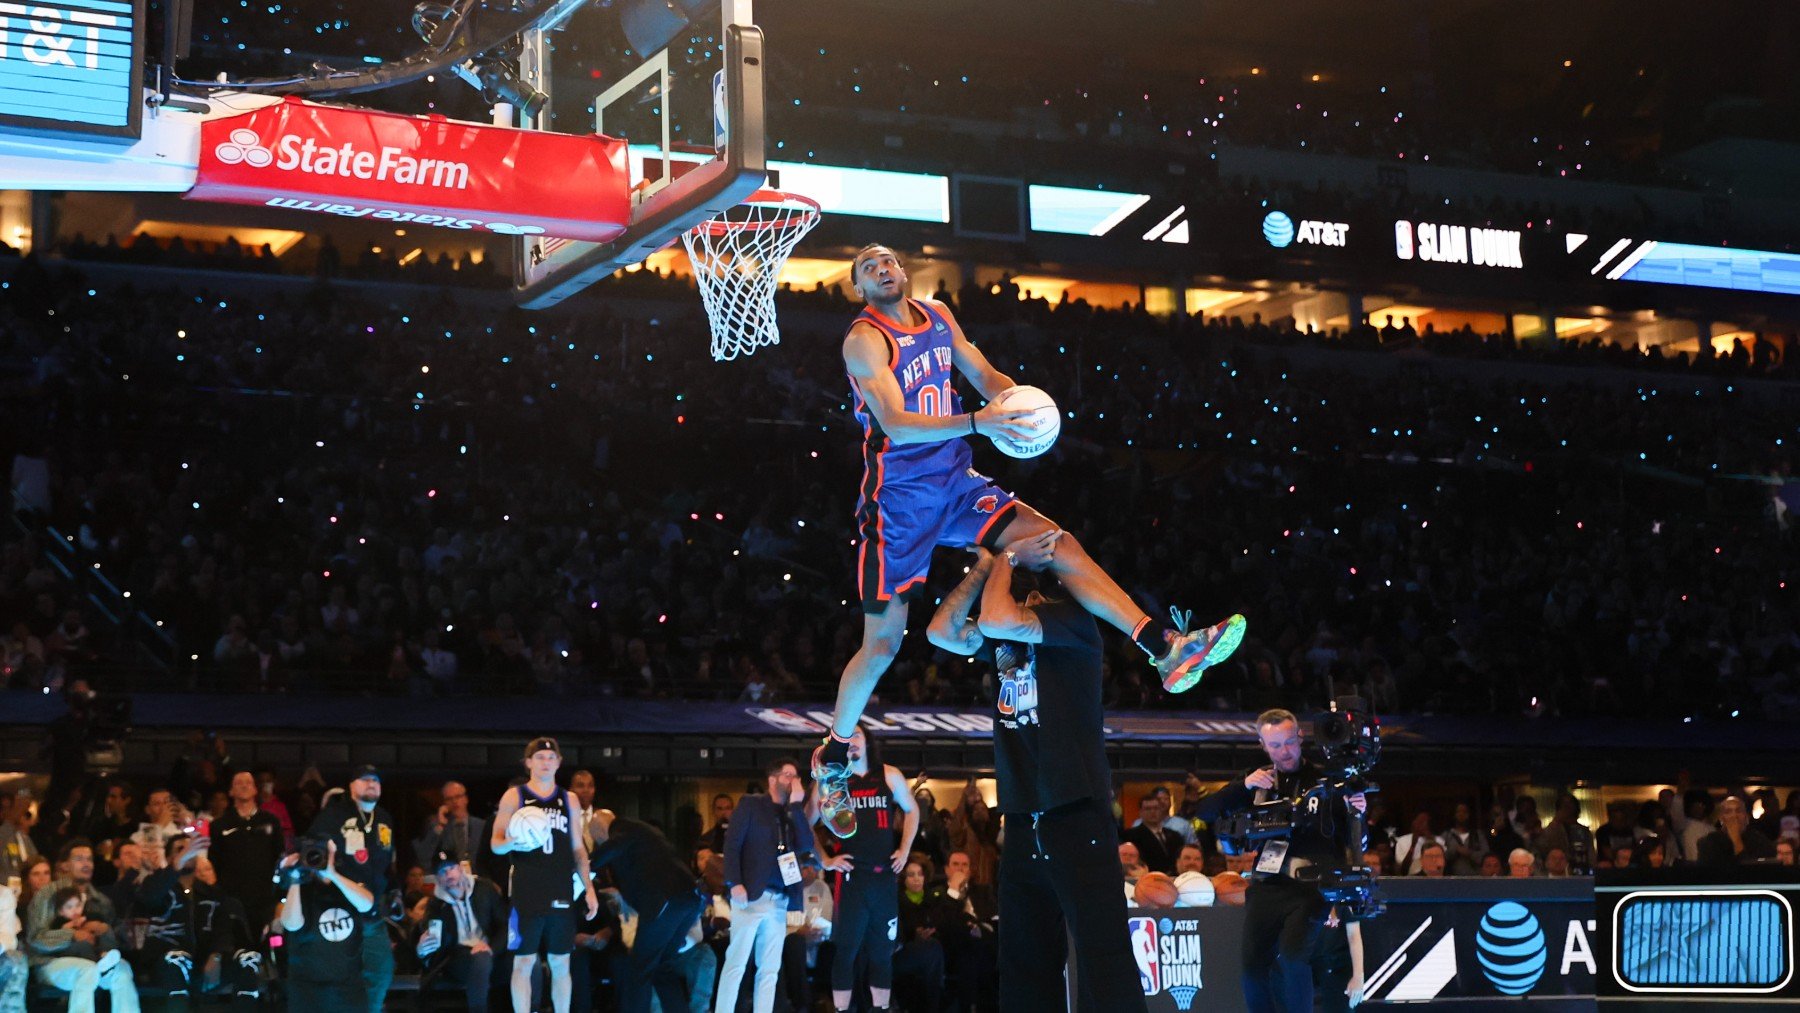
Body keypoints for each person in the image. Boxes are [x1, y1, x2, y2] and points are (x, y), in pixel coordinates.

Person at [811, 243, 1246, 835]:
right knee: (884, 645)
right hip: (900, 503)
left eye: (888, 261)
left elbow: (984, 374)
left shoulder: (939, 315)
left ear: (904, 271)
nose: (883, 270)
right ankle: (835, 754)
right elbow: (894, 423)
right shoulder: (864, 340)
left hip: (958, 482)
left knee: (1058, 542)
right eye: (869, 268)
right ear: (860, 288)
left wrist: (1019, 406)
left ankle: (1163, 647)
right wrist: (978, 422)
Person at [926, 542, 1148, 1012]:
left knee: (1100, 957)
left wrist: (1004, 560)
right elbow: (940, 630)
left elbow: (996, 619)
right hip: (1024, 817)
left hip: (1077, 810)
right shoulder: (1004, 642)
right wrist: (983, 566)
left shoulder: (1074, 622)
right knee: (1025, 961)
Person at [1194, 710, 1368, 1013]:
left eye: (1289, 742)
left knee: (1292, 956)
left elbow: (1355, 840)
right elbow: (1205, 812)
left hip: (1313, 885)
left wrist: (1358, 812)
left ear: (1300, 737)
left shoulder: (1327, 780)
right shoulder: (1258, 779)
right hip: (1268, 884)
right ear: (1262, 744)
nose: (1284, 752)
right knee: (1252, 966)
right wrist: (1244, 786)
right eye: (1275, 745)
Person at [809, 728, 918, 1013]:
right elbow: (804, 822)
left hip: (883, 877)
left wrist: (905, 848)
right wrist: (823, 859)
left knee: (882, 953)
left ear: (867, 741)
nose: (852, 741)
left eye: (856, 735)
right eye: (846, 738)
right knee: (846, 952)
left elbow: (912, 810)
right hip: (850, 877)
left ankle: (880, 1009)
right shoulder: (831, 781)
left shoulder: (889, 774)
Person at [492, 737, 600, 1013]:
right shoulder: (514, 796)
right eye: (539, 757)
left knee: (560, 962)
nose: (545, 762)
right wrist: (515, 841)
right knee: (523, 962)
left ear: (559, 763)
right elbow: (496, 844)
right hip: (526, 891)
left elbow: (578, 847)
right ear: (528, 762)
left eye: (551, 758)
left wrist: (588, 887)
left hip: (560, 888)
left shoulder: (569, 799)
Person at [715, 757, 813, 1013]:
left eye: (795, 776)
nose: (793, 781)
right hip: (750, 895)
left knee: (769, 968)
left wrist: (795, 807)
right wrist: (734, 881)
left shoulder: (792, 811)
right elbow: (732, 844)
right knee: (736, 963)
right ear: (773, 779)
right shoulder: (751, 804)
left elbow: (805, 846)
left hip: (779, 899)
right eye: (788, 775)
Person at [588, 808, 709, 1013]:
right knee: (662, 967)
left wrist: (586, 864)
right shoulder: (643, 835)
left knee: (638, 970)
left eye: (597, 839)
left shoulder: (623, 828)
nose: (599, 843)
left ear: (601, 831)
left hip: (666, 901)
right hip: (689, 900)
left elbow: (609, 849)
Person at [308, 764, 399, 1012]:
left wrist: (394, 892)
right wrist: (324, 876)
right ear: (351, 786)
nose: (371, 784)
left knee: (380, 972)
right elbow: (313, 854)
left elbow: (388, 865)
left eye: (376, 780)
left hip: (371, 913)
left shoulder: (384, 819)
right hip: (337, 911)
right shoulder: (332, 816)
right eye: (364, 779)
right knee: (340, 979)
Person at [133, 835, 263, 1010]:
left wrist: (216, 955)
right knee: (177, 959)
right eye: (181, 849)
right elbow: (148, 897)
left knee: (249, 959)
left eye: (191, 849)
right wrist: (176, 865)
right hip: (168, 963)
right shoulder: (158, 886)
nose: (188, 852)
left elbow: (224, 929)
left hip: (205, 962)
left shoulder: (212, 893)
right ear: (171, 858)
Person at [24, 838, 139, 1013]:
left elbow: (114, 945)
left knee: (122, 969)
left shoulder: (101, 900)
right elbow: (34, 939)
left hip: (96, 959)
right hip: (51, 961)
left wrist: (104, 930)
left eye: (90, 859)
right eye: (79, 859)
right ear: (64, 866)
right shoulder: (49, 894)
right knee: (86, 970)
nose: (86, 864)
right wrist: (71, 935)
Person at [277, 838, 372, 1010]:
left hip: (348, 989)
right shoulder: (301, 889)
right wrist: (295, 877)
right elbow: (291, 924)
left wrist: (333, 875)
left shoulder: (348, 883)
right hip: (307, 991)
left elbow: (366, 904)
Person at [415, 856, 506, 1013]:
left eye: (451, 868)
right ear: (438, 879)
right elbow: (435, 943)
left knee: (528, 960)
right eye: (443, 871)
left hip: (491, 949)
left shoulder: (484, 889)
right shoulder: (436, 905)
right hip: (458, 958)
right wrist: (422, 949)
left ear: (461, 869)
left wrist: (491, 947)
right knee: (481, 958)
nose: (449, 874)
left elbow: (505, 925)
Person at [209, 770, 285, 936]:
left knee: (268, 944)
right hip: (232, 897)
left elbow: (280, 856)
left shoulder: (270, 821)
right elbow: (214, 861)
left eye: (248, 782)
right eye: (239, 783)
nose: (244, 785)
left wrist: (279, 894)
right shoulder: (219, 825)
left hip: (265, 896)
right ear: (231, 791)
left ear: (255, 789)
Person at [414, 780, 486, 871]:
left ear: (466, 799)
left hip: (478, 879)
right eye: (449, 799)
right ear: (444, 803)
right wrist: (440, 825)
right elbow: (423, 856)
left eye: (458, 796)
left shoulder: (481, 826)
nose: (454, 801)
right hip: (448, 879)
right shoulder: (438, 827)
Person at [1696, 796, 1777, 867]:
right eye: (1728, 812)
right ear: (1721, 819)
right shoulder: (1709, 841)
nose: (1734, 816)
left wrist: (1736, 838)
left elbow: (1753, 872)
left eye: (1738, 811)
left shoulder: (1759, 840)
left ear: (1746, 818)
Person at [1122, 791, 1186, 876]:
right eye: (1148, 809)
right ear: (1140, 812)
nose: (1153, 812)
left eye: (1156, 808)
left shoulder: (1175, 836)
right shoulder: (1130, 836)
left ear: (1161, 811)